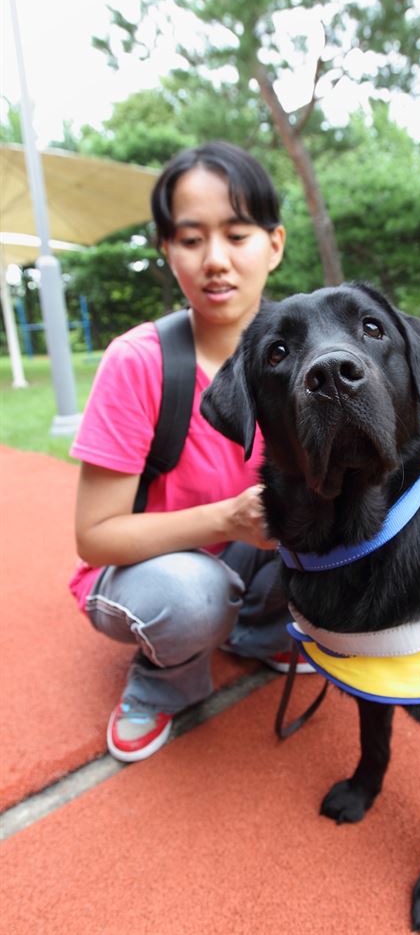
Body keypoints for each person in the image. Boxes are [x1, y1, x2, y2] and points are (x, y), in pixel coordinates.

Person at [69, 141, 312, 765]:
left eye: (237, 235)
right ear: (166, 248)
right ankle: (163, 682)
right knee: (193, 594)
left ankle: (258, 632)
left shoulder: (311, 352)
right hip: (156, 573)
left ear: (275, 244)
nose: (216, 261)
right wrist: (225, 519)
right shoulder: (140, 362)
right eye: (191, 238)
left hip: (254, 557)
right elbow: (96, 538)